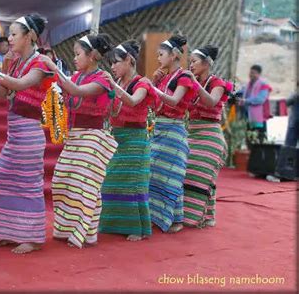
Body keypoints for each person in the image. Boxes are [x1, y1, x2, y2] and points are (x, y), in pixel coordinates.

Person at [41, 33, 118, 248]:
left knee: (86, 184)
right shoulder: (75, 77)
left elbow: (76, 92)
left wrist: (54, 68)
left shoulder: (103, 78)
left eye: (77, 54)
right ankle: (66, 228)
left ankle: (87, 232)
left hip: (93, 135)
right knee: (61, 180)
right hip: (75, 135)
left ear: (92, 55)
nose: (74, 58)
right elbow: (69, 97)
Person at [0, 14, 54, 254]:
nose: (10, 38)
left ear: (30, 36)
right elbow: (2, 97)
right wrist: (4, 68)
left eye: (15, 34)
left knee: (29, 185)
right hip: (14, 132)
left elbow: (20, 85)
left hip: (28, 132)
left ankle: (34, 238)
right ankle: (9, 232)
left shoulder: (42, 63)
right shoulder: (13, 63)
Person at [99, 40, 159, 241]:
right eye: (111, 64)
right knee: (110, 181)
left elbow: (134, 101)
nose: (113, 67)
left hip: (135, 140)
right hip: (117, 137)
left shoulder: (142, 83)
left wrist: (112, 86)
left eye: (116, 62)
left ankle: (137, 227)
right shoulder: (119, 84)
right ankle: (114, 224)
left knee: (133, 184)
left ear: (129, 60)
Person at [147, 34, 198, 234]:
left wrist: (151, 87)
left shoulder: (184, 77)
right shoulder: (164, 78)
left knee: (172, 176)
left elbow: (175, 101)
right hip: (159, 128)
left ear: (174, 55)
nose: (158, 58)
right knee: (157, 174)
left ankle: (175, 219)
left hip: (174, 131)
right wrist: (154, 82)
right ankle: (164, 217)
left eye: (161, 54)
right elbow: (154, 104)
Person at [182, 45, 230, 228]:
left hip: (210, 137)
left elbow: (211, 101)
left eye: (194, 61)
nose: (191, 65)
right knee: (191, 175)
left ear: (206, 63)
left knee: (202, 176)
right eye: (190, 62)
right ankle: (207, 215)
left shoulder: (217, 83)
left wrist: (194, 83)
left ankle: (196, 217)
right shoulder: (193, 84)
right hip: (192, 135)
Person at [241, 65, 272, 147]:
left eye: (253, 73)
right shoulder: (248, 85)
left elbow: (260, 99)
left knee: (260, 141)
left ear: (259, 74)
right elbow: (242, 93)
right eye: (250, 73)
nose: (251, 75)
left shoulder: (263, 84)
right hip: (249, 117)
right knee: (250, 140)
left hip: (259, 117)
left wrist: (246, 101)